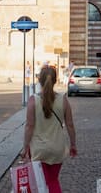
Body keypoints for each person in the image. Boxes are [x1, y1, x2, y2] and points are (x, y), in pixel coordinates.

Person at [23, 65, 77, 193]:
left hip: (38, 149)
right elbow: (70, 125)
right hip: (57, 148)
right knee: (52, 181)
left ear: (39, 80)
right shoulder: (63, 100)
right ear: (55, 80)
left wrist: (25, 148)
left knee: (40, 183)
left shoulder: (33, 101)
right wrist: (73, 144)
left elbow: (29, 127)